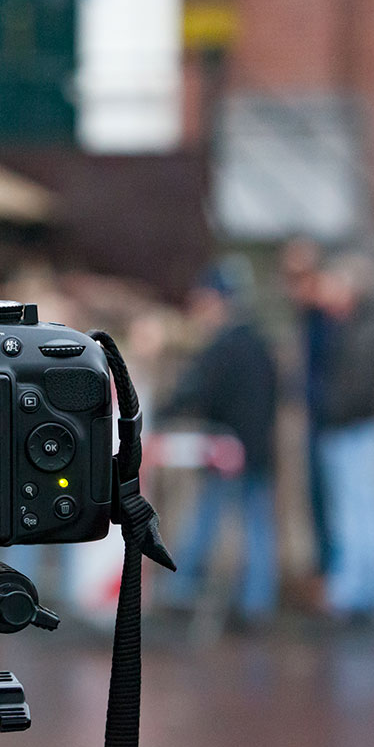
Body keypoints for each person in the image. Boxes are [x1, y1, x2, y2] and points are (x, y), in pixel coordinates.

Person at [162, 259, 279, 623]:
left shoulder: (225, 346)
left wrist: (163, 412)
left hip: (229, 451)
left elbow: (197, 390)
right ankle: (257, 603)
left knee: (206, 521)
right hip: (255, 451)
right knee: (256, 526)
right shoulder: (258, 344)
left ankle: (181, 595)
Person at [315, 253, 374, 620]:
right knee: (360, 511)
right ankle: (362, 591)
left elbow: (357, 386)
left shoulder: (367, 328)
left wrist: (336, 413)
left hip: (358, 428)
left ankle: (363, 593)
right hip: (357, 427)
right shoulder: (358, 325)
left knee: (361, 513)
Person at [281, 238, 337, 579]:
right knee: (316, 501)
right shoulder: (305, 318)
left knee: (334, 501)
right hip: (316, 418)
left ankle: (334, 576)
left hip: (332, 420)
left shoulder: (329, 318)